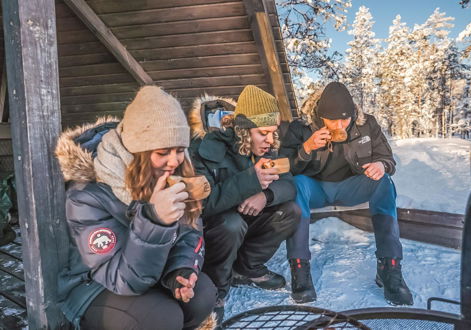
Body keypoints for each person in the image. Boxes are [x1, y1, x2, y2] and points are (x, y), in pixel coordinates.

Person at [55, 86, 217, 330]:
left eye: (179, 151)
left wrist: (180, 270)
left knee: (202, 294)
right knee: (161, 317)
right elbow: (122, 280)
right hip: (96, 285)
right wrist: (155, 221)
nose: (174, 161)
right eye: (163, 152)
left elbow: (191, 231)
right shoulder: (87, 194)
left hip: (148, 270)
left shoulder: (172, 175)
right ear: (137, 151)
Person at [281, 82, 414, 305]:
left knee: (385, 182)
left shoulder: (366, 124)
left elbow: (387, 158)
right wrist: (306, 148)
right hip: (316, 189)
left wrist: (382, 165)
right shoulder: (301, 128)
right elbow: (284, 167)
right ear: (320, 116)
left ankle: (389, 267)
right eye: (333, 120)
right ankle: (300, 269)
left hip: (352, 187)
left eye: (345, 119)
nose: (340, 124)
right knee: (296, 184)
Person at [188, 86, 300, 321]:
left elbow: (289, 185)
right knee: (231, 223)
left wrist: (265, 196)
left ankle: (245, 269)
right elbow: (202, 205)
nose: (270, 140)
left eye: (273, 132)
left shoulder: (267, 150)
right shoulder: (205, 149)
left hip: (246, 222)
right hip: (214, 230)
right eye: (263, 132)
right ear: (243, 131)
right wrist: (251, 181)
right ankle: (216, 288)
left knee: (289, 211)